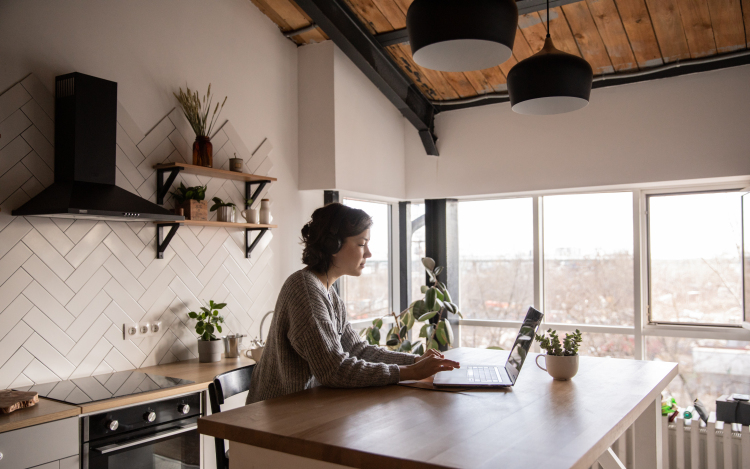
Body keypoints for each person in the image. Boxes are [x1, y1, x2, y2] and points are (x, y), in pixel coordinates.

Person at [246, 202, 460, 404]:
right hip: (272, 420)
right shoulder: (305, 291)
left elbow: (357, 349)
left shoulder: (327, 293)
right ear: (333, 246)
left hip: (304, 409)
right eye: (361, 244)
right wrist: (410, 372)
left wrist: (415, 361)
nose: (368, 253)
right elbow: (334, 370)